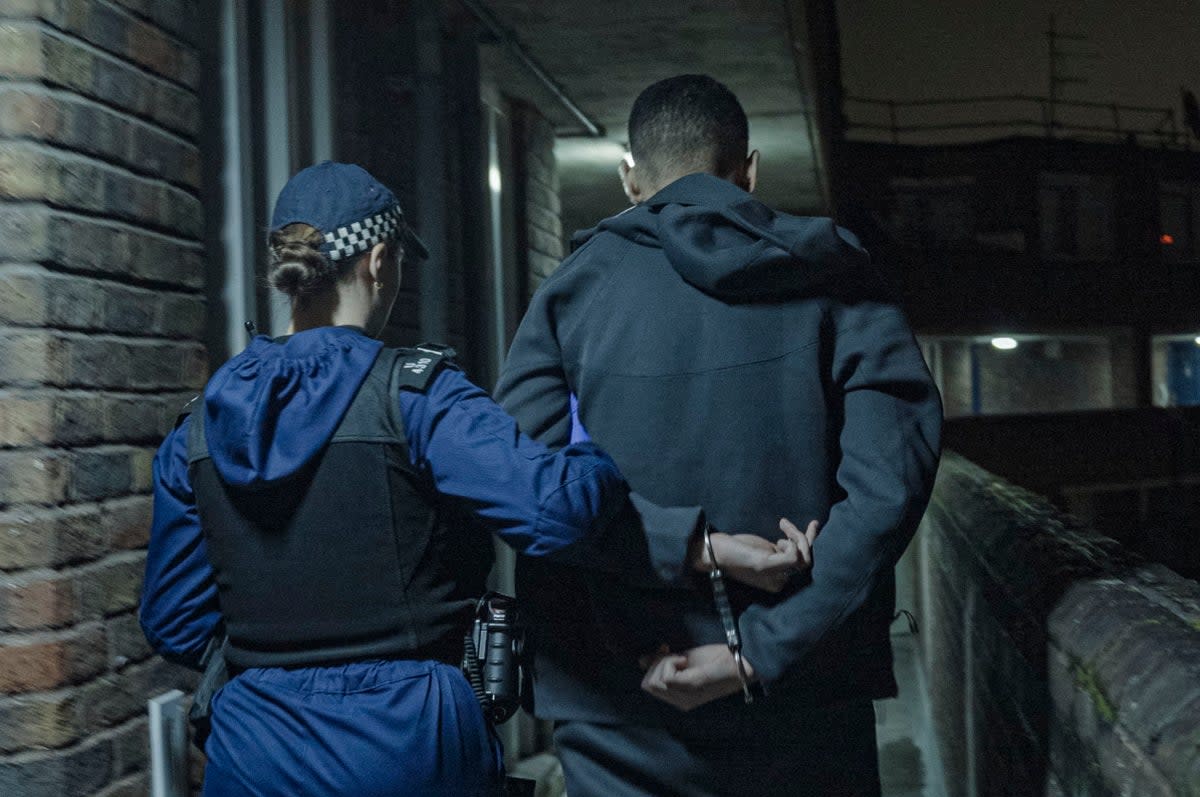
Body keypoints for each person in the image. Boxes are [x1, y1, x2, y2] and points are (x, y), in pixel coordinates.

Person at [139, 161, 812, 797]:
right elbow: (557, 513)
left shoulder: (197, 428)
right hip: (411, 742)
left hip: (254, 751)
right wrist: (591, 455)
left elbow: (173, 618)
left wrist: (273, 665)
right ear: (380, 261)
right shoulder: (416, 399)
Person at [495, 75, 943, 796]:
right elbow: (892, 483)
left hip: (620, 705)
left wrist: (682, 545)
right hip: (804, 701)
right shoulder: (838, 277)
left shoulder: (571, 293)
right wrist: (759, 651)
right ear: (750, 171)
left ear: (629, 178)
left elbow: (523, 486)